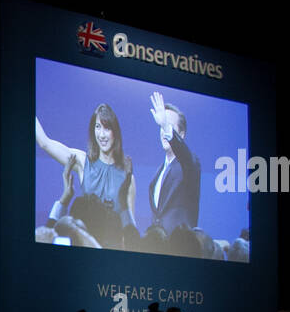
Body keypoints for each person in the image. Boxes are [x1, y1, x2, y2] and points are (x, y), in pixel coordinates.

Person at [36, 103, 137, 234]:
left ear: (115, 132)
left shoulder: (127, 178)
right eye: (97, 127)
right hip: (84, 245)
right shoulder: (83, 162)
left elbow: (130, 231)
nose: (101, 135)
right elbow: (45, 143)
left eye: (107, 128)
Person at [145, 91, 201, 238]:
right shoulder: (158, 173)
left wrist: (165, 126)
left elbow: (187, 158)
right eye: (161, 126)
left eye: (168, 126)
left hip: (181, 250)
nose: (163, 131)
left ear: (181, 135)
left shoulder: (190, 164)